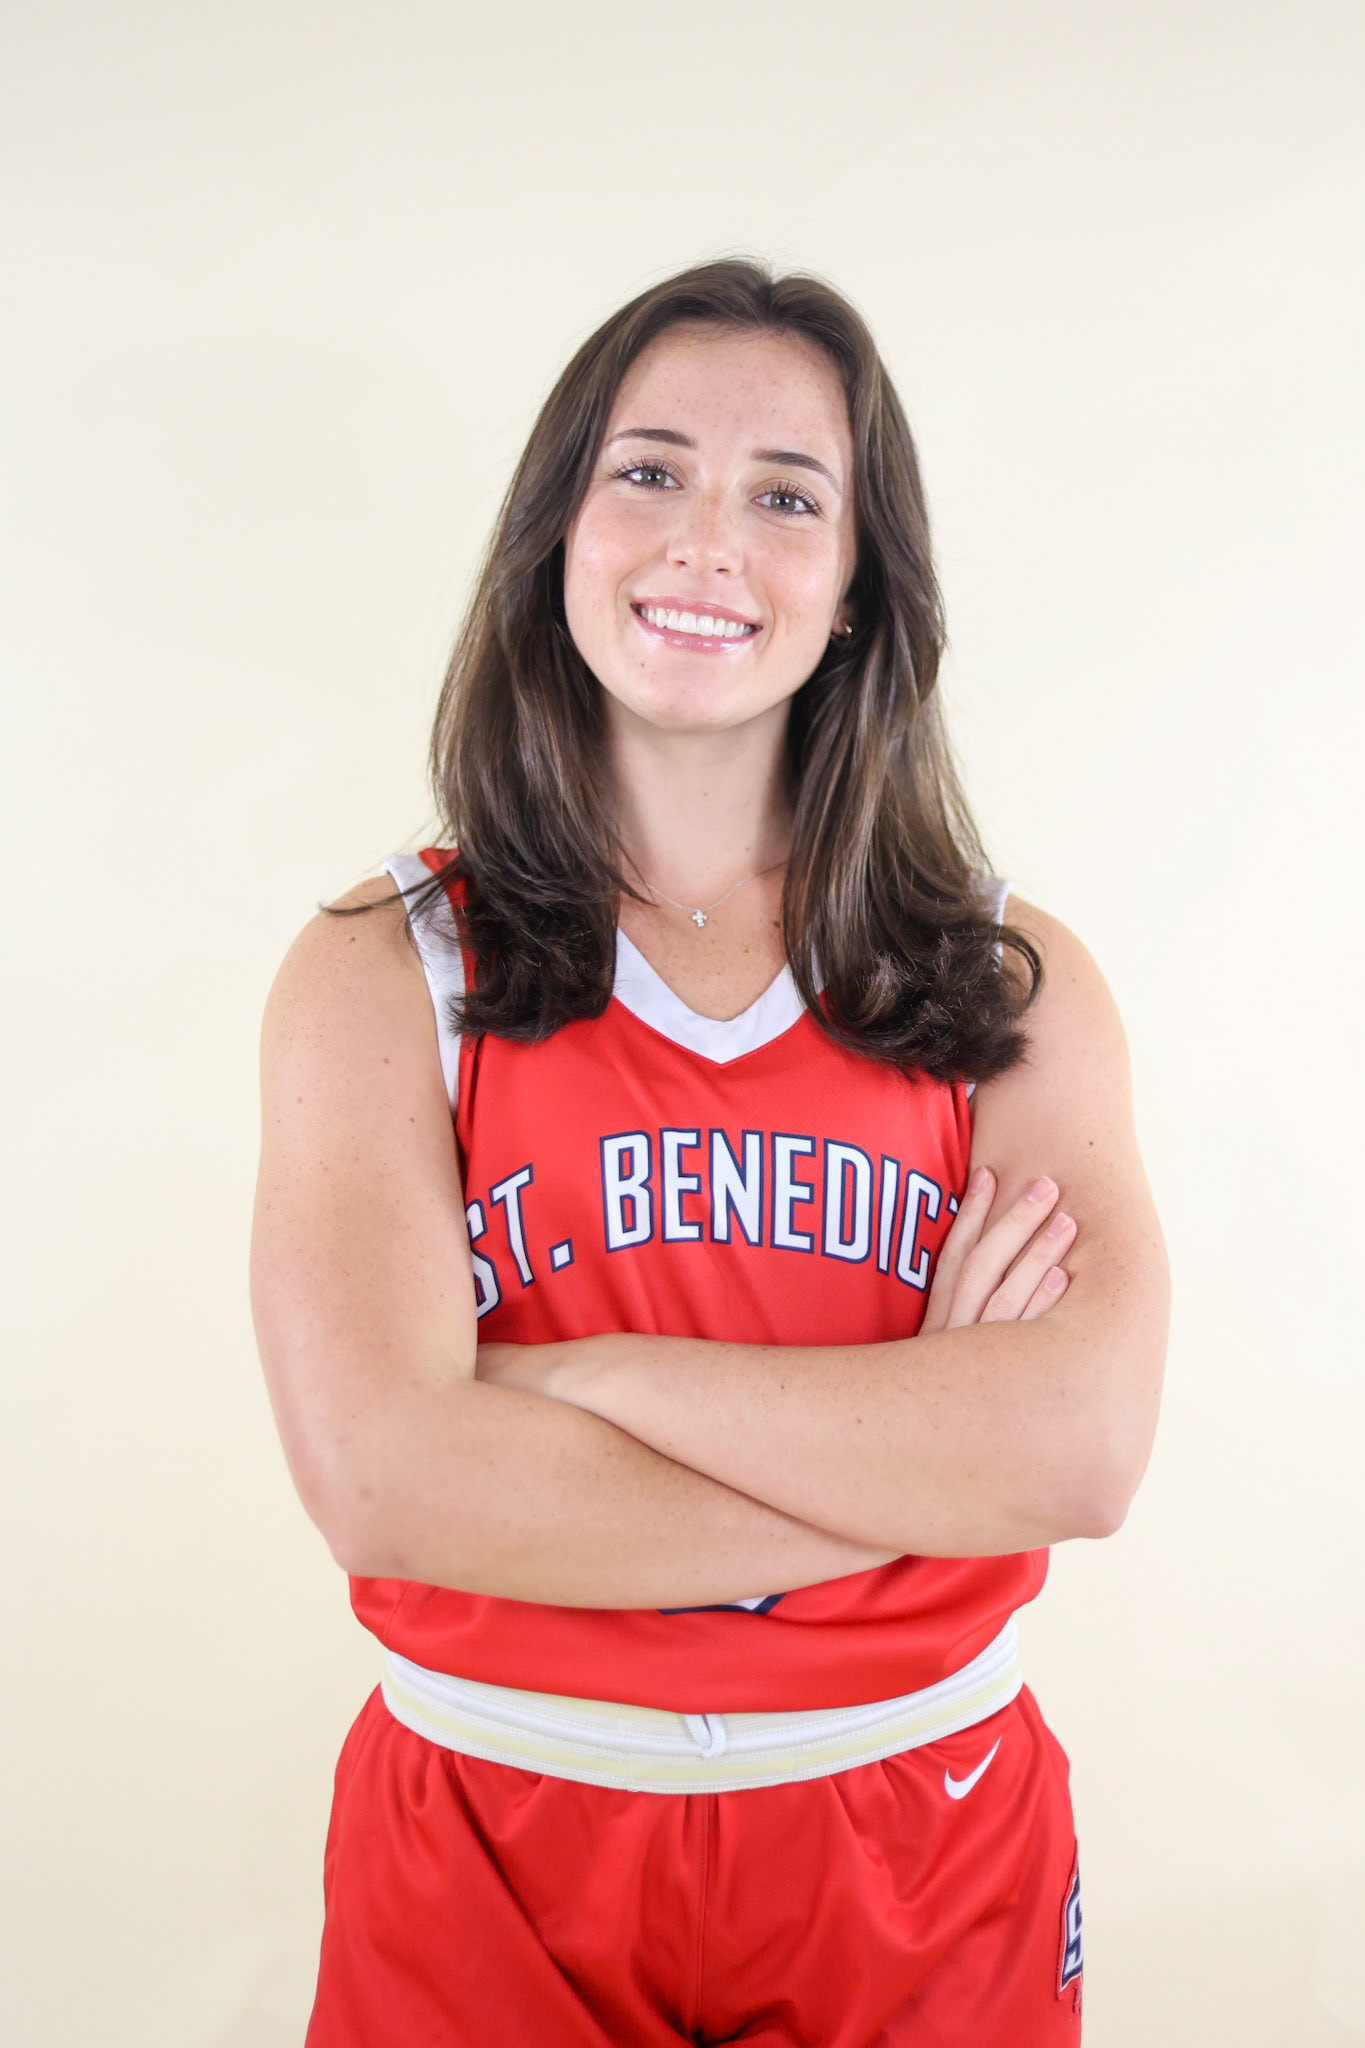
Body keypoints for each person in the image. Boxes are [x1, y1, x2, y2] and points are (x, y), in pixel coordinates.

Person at [251, 257, 1168, 2046]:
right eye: (649, 470)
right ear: (558, 529)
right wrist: (922, 1449)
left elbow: (1074, 1449)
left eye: (786, 496)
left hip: (918, 1827)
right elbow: (385, 1482)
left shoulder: (1005, 978)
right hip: (492, 1820)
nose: (704, 542)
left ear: (859, 583)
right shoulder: (384, 966)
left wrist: (578, 1380)